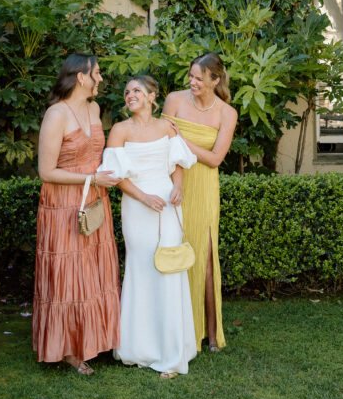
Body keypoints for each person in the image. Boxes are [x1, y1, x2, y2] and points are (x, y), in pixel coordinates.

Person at [98, 75, 197, 377]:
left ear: (153, 96)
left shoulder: (167, 127)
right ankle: (139, 347)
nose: (131, 95)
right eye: (127, 92)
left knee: (168, 268)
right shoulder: (119, 130)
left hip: (167, 204)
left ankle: (172, 351)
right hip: (137, 206)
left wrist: (176, 188)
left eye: (137, 90)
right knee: (141, 268)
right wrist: (143, 197)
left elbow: (177, 164)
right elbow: (115, 175)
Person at [32, 54, 122, 375]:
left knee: (93, 272)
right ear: (81, 78)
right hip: (64, 204)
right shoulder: (56, 115)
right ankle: (68, 350)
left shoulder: (94, 109)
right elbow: (46, 171)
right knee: (69, 274)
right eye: (97, 73)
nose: (101, 79)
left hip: (94, 199)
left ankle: (95, 339)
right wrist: (91, 179)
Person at [163, 53, 237, 353]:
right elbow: (164, 144)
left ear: (214, 80)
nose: (192, 82)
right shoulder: (174, 100)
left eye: (198, 78)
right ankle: (175, 329)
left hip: (205, 187)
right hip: (174, 180)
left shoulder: (227, 113)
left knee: (204, 258)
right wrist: (177, 145)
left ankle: (208, 334)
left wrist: (183, 141)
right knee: (172, 248)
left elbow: (216, 158)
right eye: (190, 76)